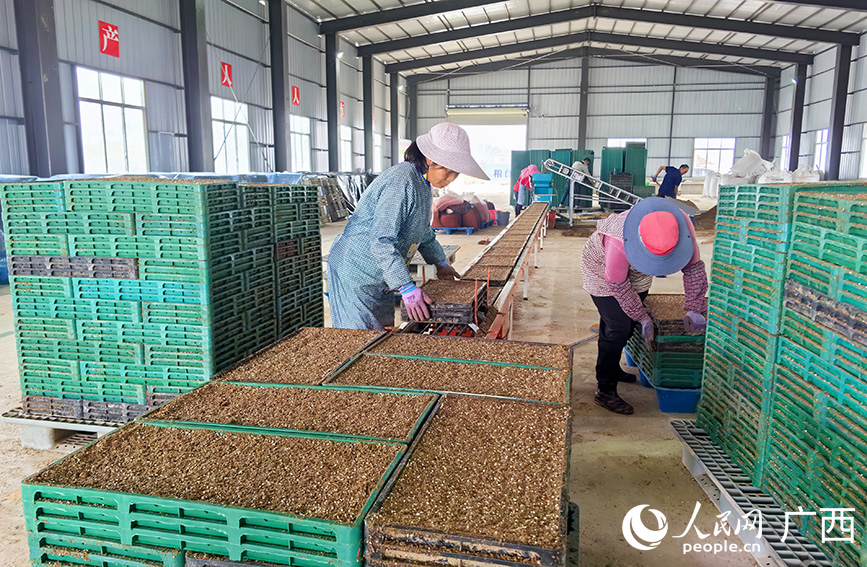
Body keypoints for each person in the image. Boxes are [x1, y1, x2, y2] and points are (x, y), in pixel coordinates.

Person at [327, 123, 489, 330]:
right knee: (360, 339)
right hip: (358, 272)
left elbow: (423, 232)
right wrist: (406, 286)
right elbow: (381, 240)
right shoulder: (402, 181)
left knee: (380, 334)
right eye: (447, 172)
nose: (449, 180)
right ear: (430, 159)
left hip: (380, 275)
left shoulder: (422, 184)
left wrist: (441, 263)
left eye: (455, 174)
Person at [581, 197, 708, 415]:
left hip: (637, 273)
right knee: (619, 326)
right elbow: (618, 286)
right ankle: (605, 389)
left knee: (624, 324)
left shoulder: (682, 223)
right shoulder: (618, 240)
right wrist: (642, 316)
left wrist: (694, 307)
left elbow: (694, 267)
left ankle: (612, 367)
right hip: (602, 271)